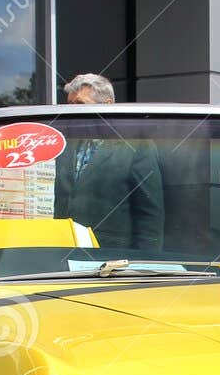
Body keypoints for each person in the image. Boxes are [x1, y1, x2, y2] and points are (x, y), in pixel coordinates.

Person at [54, 73, 164, 251]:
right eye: (70, 105)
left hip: (111, 260)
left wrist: (146, 264)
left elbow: (149, 215)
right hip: (60, 255)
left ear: (107, 106)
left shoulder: (136, 146)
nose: (72, 113)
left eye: (80, 105)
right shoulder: (63, 144)